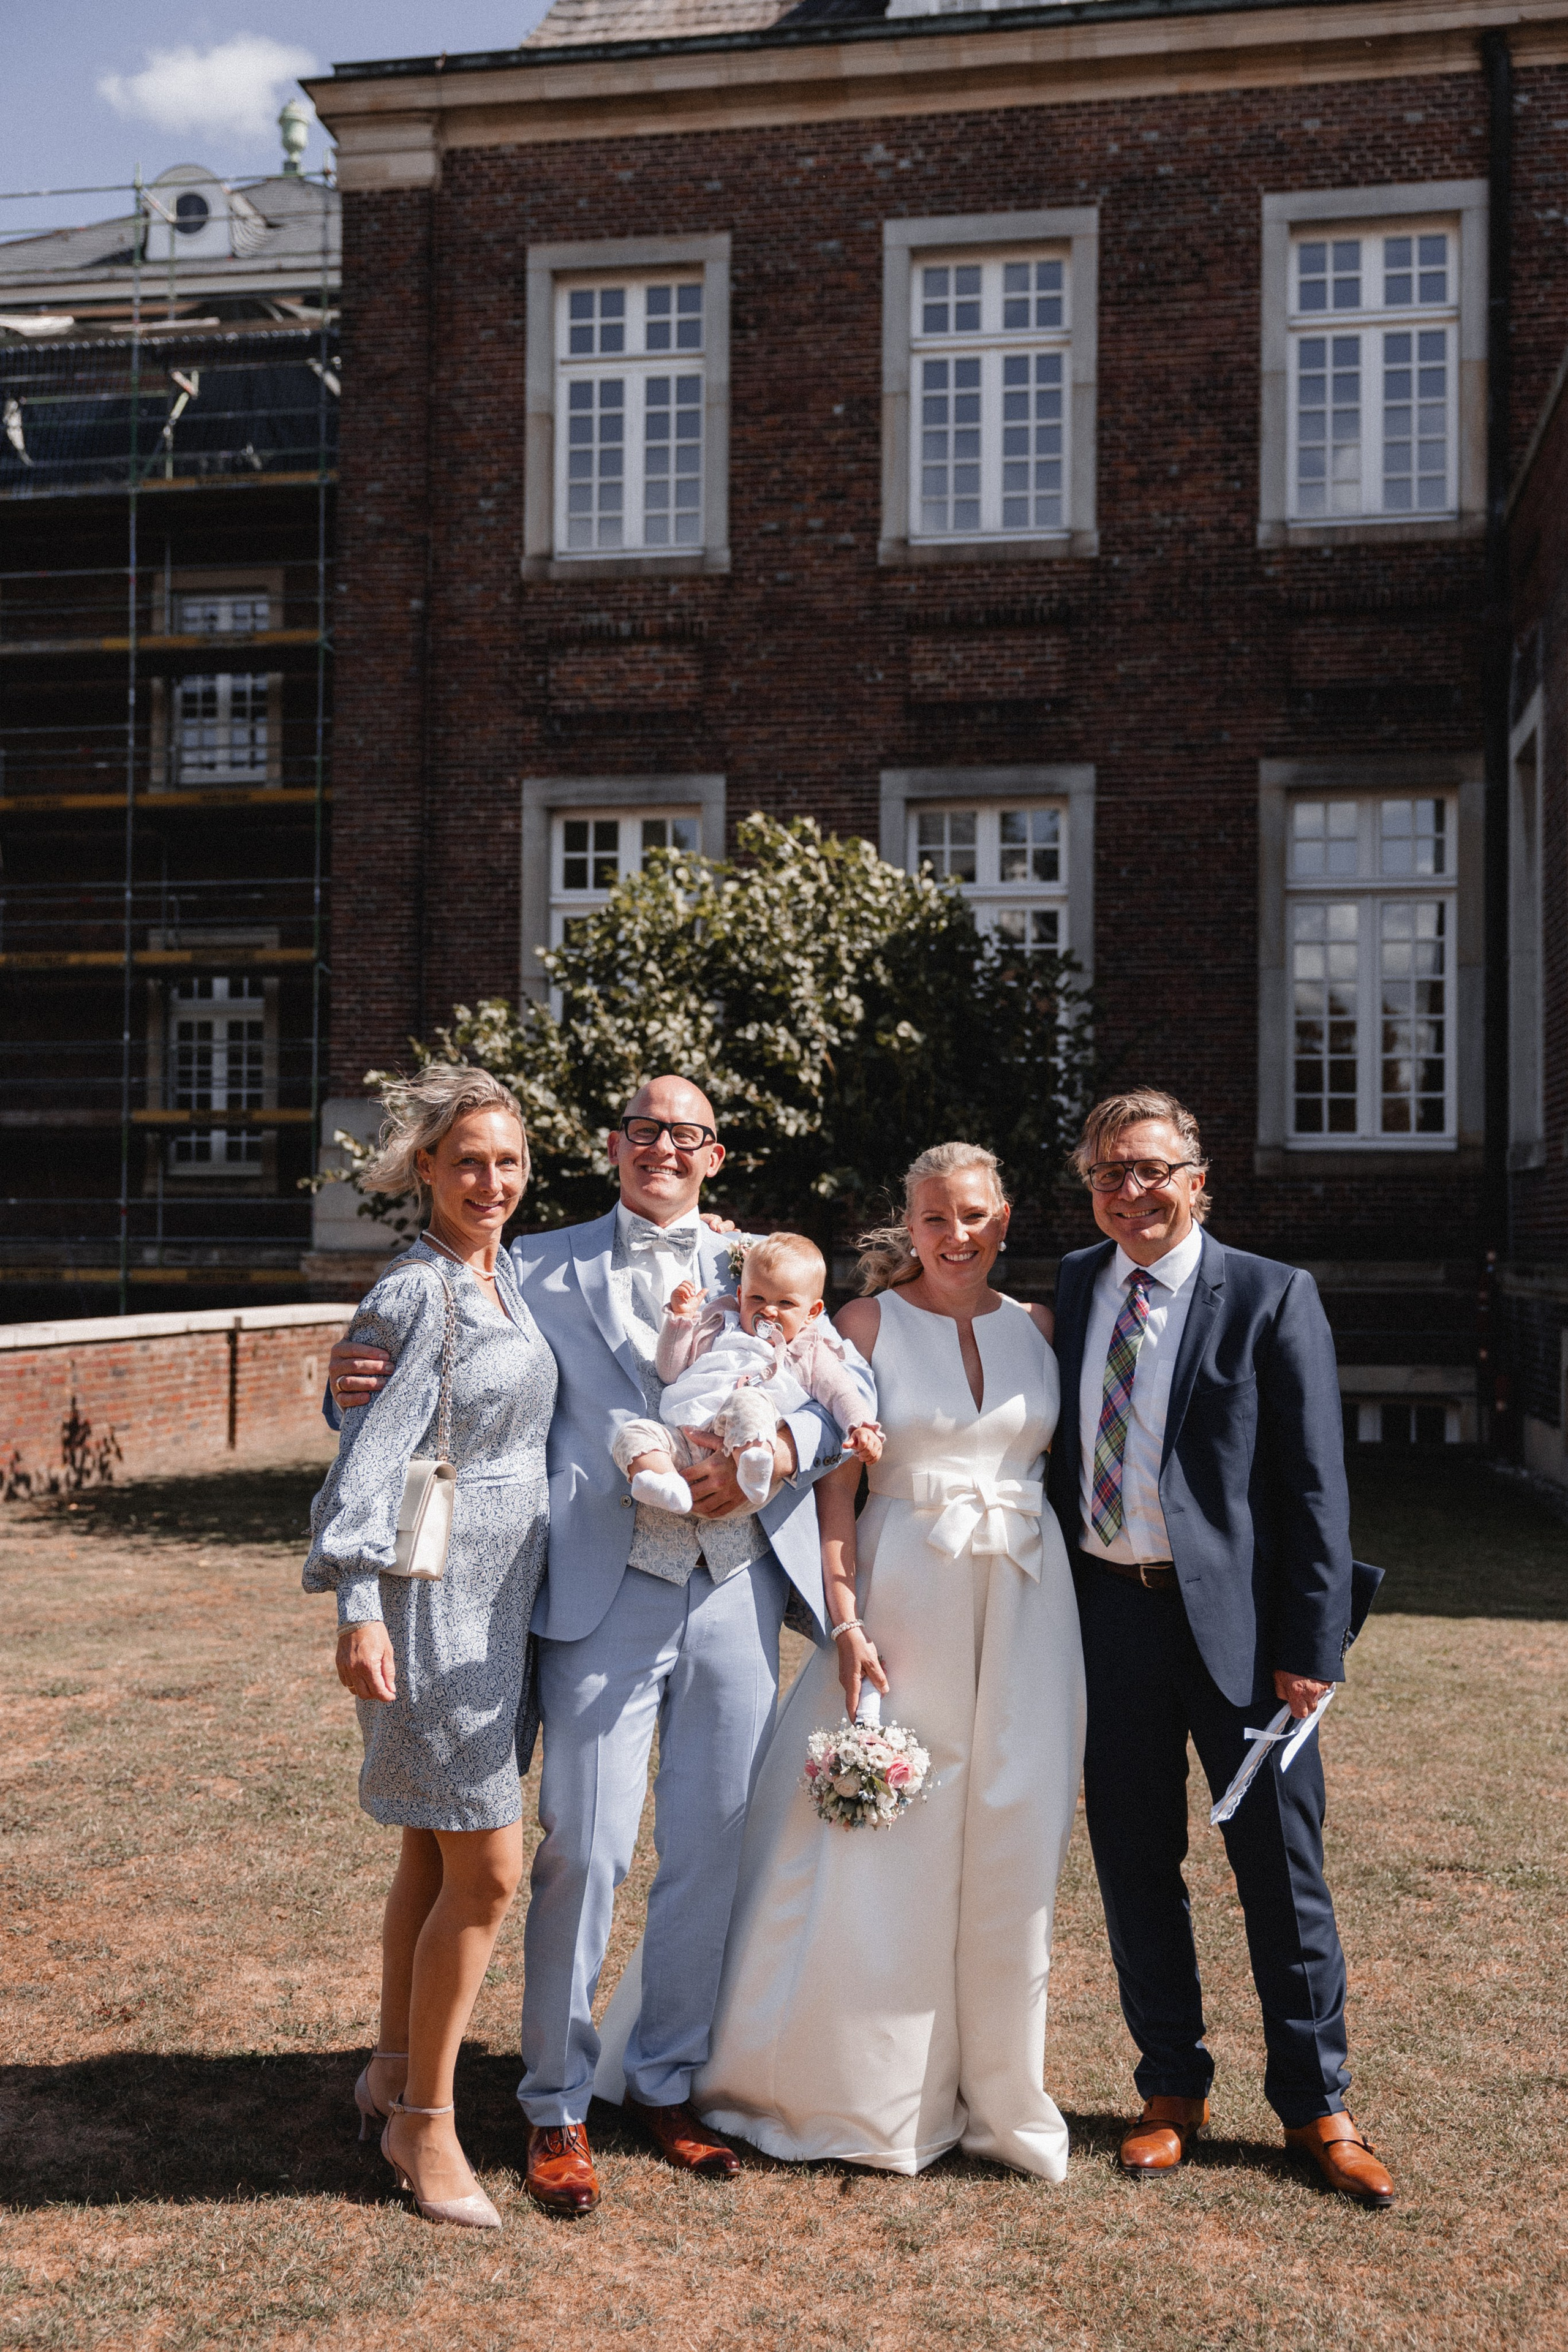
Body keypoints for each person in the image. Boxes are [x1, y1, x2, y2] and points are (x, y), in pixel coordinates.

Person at [328, 1075, 869, 2215]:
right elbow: (433, 1357)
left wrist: (791, 1445)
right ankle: (554, 2102)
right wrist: (345, 1383)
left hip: (731, 1587)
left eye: (687, 1134)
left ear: (715, 1157)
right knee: (584, 1846)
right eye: (643, 1130)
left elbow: (831, 1380)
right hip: (593, 1592)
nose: (662, 1148)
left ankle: (664, 2080)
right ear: (613, 1145)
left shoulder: (759, 1260)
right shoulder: (533, 1260)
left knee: (713, 1846)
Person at [609, 1141, 1085, 2178]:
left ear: (1004, 1219)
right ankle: (845, 2087)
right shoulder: (860, 1324)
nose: (953, 1237)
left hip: (1029, 1607)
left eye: (971, 1216)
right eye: (931, 1219)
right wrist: (844, 1615)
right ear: (905, 1226)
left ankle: (995, 2088)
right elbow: (832, 1484)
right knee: (878, 1835)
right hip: (901, 1596)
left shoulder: (1045, 1330)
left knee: (1011, 1830)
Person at [1046, 1088, 1395, 2207]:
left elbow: (1313, 1486)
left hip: (1248, 1642)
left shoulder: (1269, 1296)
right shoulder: (1070, 1285)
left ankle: (1316, 2104)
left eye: (1150, 1169)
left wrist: (1312, 1644)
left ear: (1199, 1178)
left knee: (1281, 1875)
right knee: (1137, 1861)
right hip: (1109, 1619)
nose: (1128, 1191)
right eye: (1107, 1173)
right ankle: (1170, 2090)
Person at [304, 1066, 557, 2230]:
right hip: (433, 1605)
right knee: (489, 1871)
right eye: (467, 1162)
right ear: (425, 1172)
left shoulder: (506, 1277)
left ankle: (391, 2073)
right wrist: (357, 1605)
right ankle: (427, 2129)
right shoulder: (416, 1293)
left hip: (505, 1601)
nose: (490, 1181)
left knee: (431, 1854)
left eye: (507, 1160)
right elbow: (365, 1459)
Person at [611, 1229, 884, 1514]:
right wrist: (680, 1322)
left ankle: (754, 1461)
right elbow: (669, 1372)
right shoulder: (720, 1325)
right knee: (634, 1433)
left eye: (785, 1303)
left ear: (812, 1313)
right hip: (683, 1437)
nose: (769, 1311)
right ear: (740, 1296)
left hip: (749, 1461)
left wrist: (861, 1426)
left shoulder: (808, 1349)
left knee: (750, 1400)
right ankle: (665, 1484)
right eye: (757, 1298)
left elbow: (841, 1392)